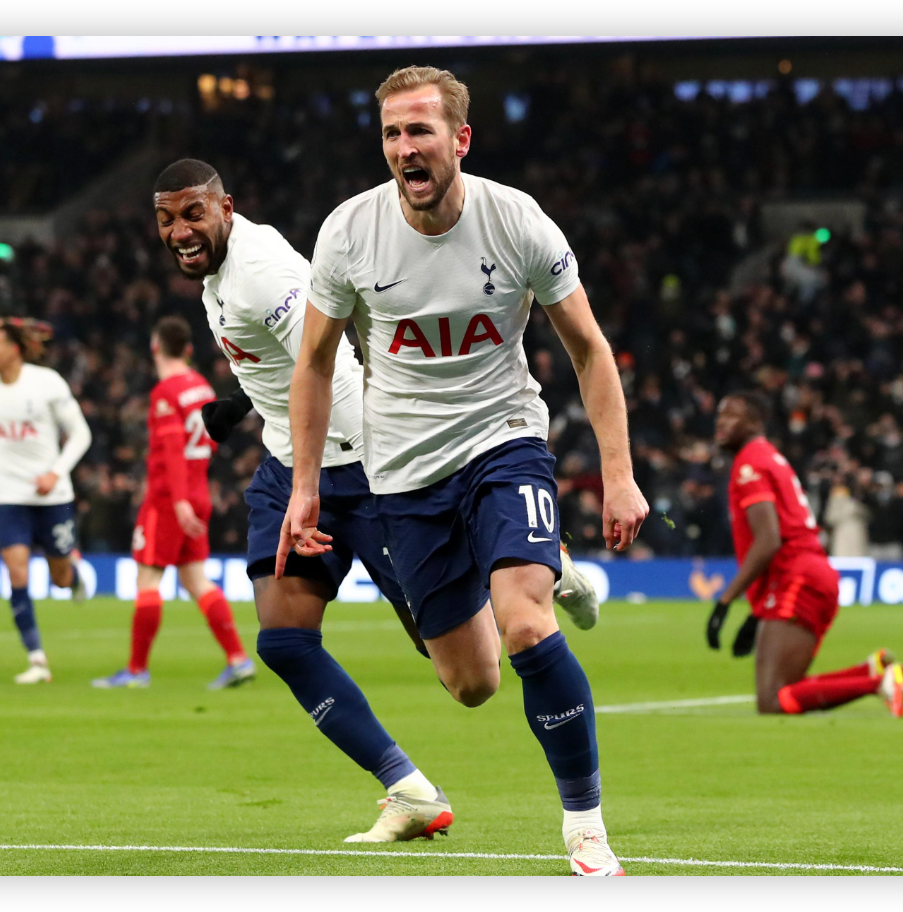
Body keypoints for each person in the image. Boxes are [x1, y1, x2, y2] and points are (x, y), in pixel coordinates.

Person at [278, 67, 645, 875]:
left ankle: (586, 828)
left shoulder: (517, 222)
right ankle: (549, 563)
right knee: (472, 684)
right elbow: (312, 361)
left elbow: (588, 348)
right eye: (391, 135)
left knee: (524, 624)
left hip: (502, 438)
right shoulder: (348, 232)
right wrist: (306, 485)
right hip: (403, 472)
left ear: (460, 139)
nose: (404, 149)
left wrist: (618, 476)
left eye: (419, 132)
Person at [145, 158, 459, 843]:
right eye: (167, 219)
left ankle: (528, 556)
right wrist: (238, 405)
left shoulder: (259, 271)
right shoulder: (219, 272)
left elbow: (327, 365)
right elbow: (286, 358)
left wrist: (317, 485)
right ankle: (407, 788)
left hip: (363, 463)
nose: (179, 231)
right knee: (286, 642)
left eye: (193, 213)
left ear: (227, 207)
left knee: (454, 664)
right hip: (294, 461)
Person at [707, 392, 903, 717]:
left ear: (755, 423)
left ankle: (880, 683)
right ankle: (870, 672)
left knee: (772, 699)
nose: (720, 423)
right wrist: (757, 612)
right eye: (719, 416)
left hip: (797, 578)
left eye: (731, 416)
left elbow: (769, 540)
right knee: (787, 688)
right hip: (806, 574)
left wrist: (726, 600)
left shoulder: (750, 464)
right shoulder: (767, 457)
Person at [93, 316, 256, 690]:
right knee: (195, 578)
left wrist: (179, 501)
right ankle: (238, 659)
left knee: (148, 578)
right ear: (188, 349)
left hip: (170, 497)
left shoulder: (166, 392)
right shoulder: (200, 387)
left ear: (155, 348)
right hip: (199, 490)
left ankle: (136, 671)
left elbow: (171, 452)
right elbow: (211, 439)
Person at [0, 318, 92, 684]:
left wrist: (55, 472)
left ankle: (72, 576)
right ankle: (37, 659)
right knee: (17, 572)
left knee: (57, 577)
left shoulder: (47, 382)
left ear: (14, 349)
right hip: (7, 495)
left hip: (52, 494)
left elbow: (80, 435)